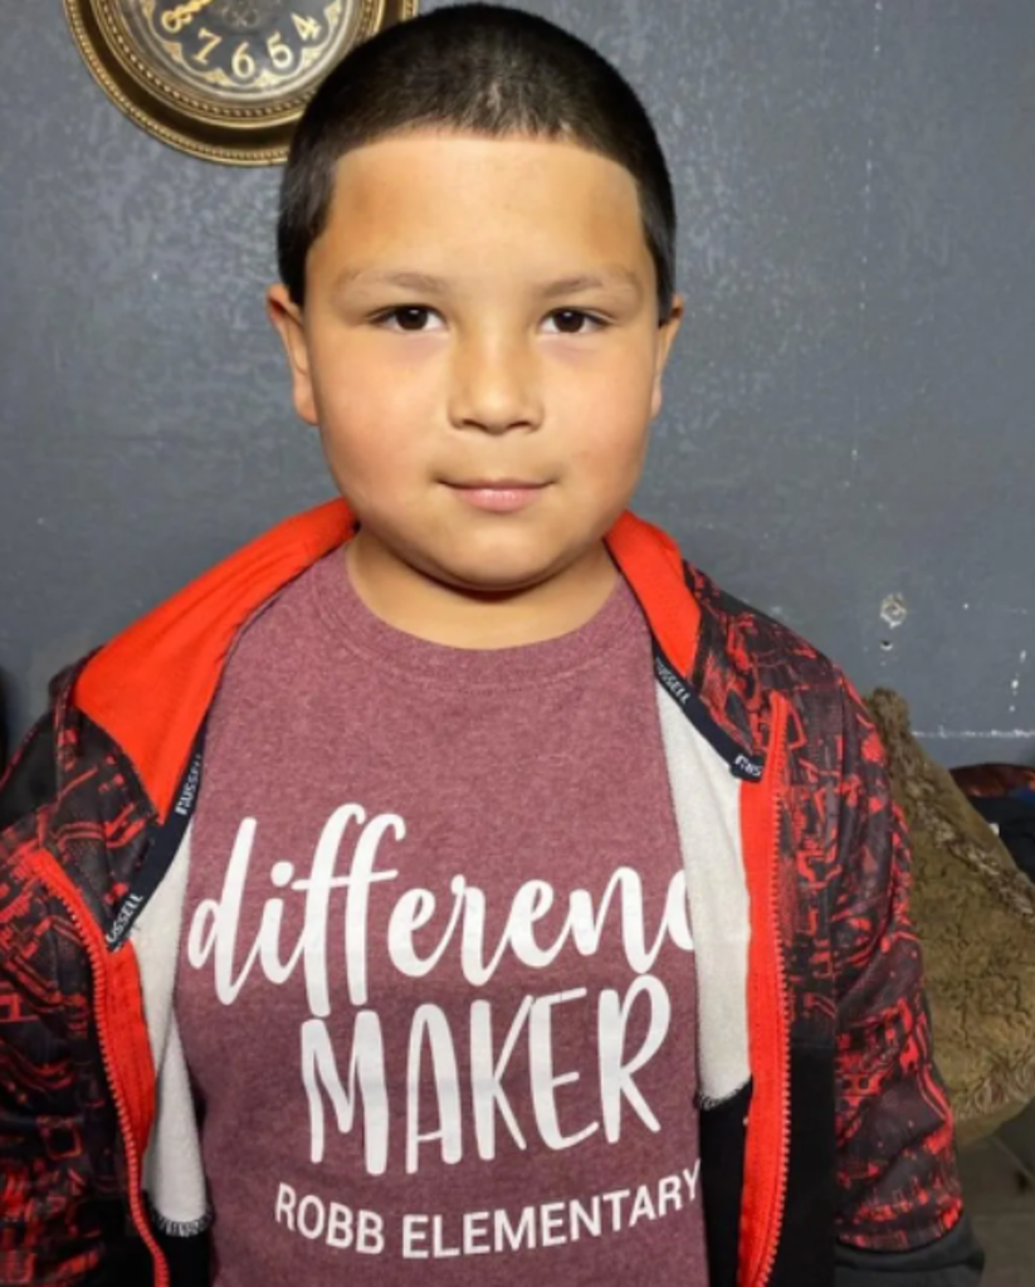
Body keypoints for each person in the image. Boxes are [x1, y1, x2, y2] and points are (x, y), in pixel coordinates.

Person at [0, 5, 983, 1284]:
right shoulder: (105, 769)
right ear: (300, 351)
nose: (497, 399)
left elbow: (894, 1212)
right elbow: (42, 1218)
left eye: (572, 321)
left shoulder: (799, 737)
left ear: (660, 352)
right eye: (409, 315)